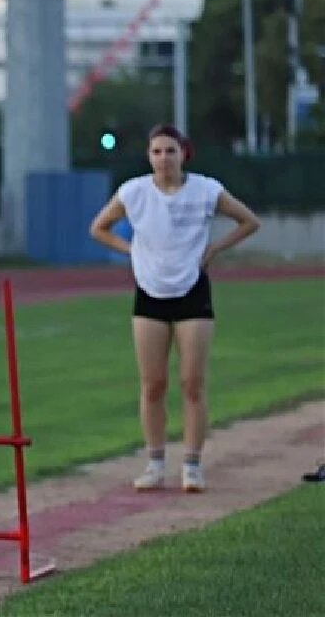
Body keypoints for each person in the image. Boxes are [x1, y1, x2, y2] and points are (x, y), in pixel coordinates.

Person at [89, 123, 260, 495]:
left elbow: (249, 221)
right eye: (156, 152)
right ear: (148, 156)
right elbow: (99, 228)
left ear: (184, 153)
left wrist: (215, 249)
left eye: (170, 151)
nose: (163, 158)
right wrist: (131, 251)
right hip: (149, 295)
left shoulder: (205, 190)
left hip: (192, 294)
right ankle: (154, 463)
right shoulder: (134, 192)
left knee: (191, 383)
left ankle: (193, 465)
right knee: (153, 384)